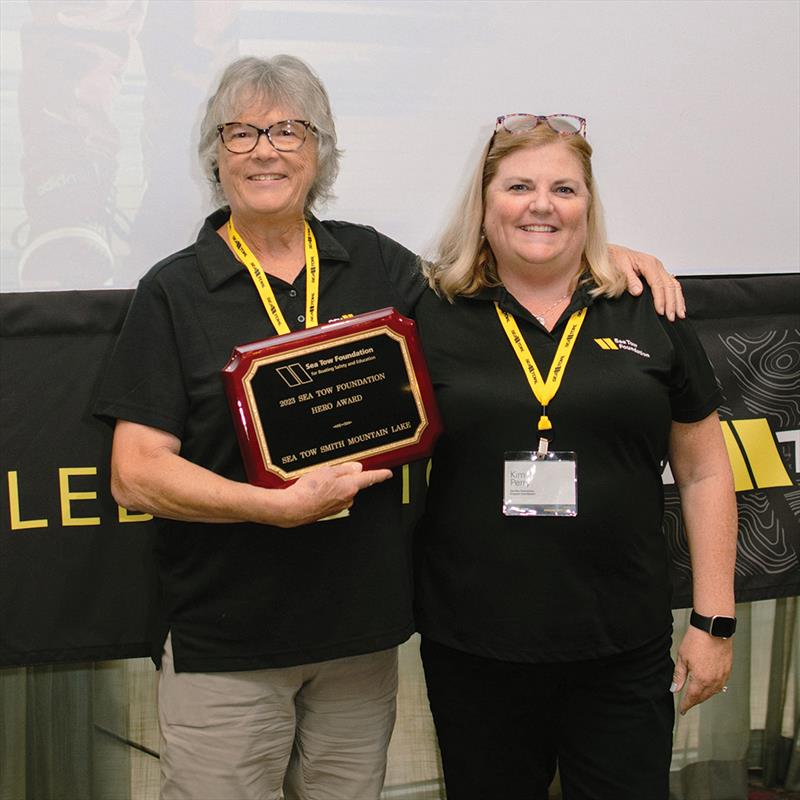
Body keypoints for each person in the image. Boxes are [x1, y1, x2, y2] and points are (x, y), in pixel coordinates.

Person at [93, 55, 684, 800]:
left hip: (361, 641)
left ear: (320, 153)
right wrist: (272, 507)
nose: (265, 149)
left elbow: (506, 266)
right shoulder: (173, 291)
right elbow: (134, 472)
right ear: (215, 155)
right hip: (228, 641)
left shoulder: (378, 265)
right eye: (240, 133)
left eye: (288, 131)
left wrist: (606, 255)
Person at [413, 114, 737, 800]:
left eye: (564, 188)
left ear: (589, 205)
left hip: (621, 648)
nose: (541, 204)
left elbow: (706, 471)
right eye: (519, 185)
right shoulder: (429, 313)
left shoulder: (649, 308)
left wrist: (714, 621)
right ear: (484, 201)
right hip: (475, 651)